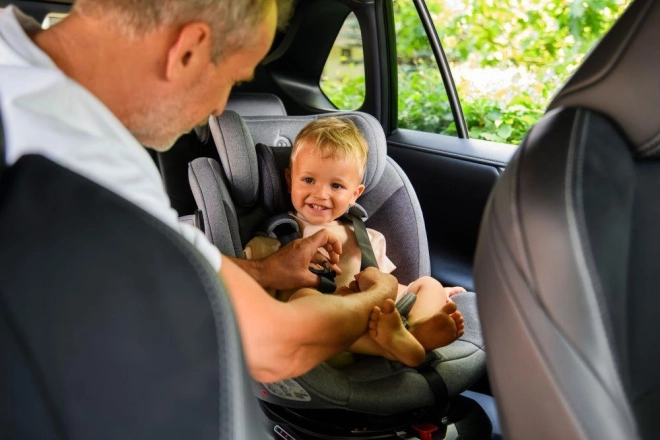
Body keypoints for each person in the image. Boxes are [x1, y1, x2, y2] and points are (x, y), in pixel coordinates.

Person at [0, 0, 399, 383]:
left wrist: (265, 271)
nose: (219, 106)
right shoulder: (83, 156)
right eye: (231, 80)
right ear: (188, 50)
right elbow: (275, 347)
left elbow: (184, 266)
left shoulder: (16, 66)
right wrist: (375, 296)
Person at [244, 117, 465, 367]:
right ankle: (396, 346)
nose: (320, 193)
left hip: (373, 318)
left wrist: (434, 295)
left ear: (355, 194)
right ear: (288, 179)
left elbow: (388, 287)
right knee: (303, 297)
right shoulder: (275, 236)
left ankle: (416, 329)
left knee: (428, 283)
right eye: (308, 180)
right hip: (322, 335)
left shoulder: (368, 237)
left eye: (336, 185)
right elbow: (249, 282)